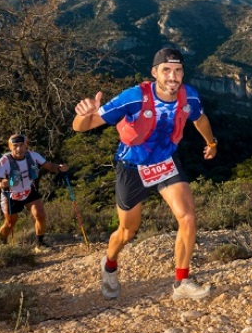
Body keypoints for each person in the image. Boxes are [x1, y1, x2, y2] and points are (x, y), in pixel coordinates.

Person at [73, 48, 219, 300]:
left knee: (188, 217)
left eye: (178, 70)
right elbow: (82, 127)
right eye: (166, 70)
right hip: (132, 167)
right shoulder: (133, 98)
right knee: (128, 231)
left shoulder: (189, 96)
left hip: (165, 161)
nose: (173, 76)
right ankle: (109, 265)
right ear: (154, 73)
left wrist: (211, 142)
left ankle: (181, 282)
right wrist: (83, 115)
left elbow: (200, 118)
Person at [0, 134, 69, 250]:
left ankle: (40, 244)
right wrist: (1, 184)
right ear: (10, 147)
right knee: (10, 223)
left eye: (21, 145)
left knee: (40, 215)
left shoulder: (33, 156)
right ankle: (2, 243)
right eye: (15, 146)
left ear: (26, 145)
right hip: (10, 195)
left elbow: (49, 166)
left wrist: (59, 167)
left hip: (28, 191)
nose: (19, 149)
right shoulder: (3, 162)